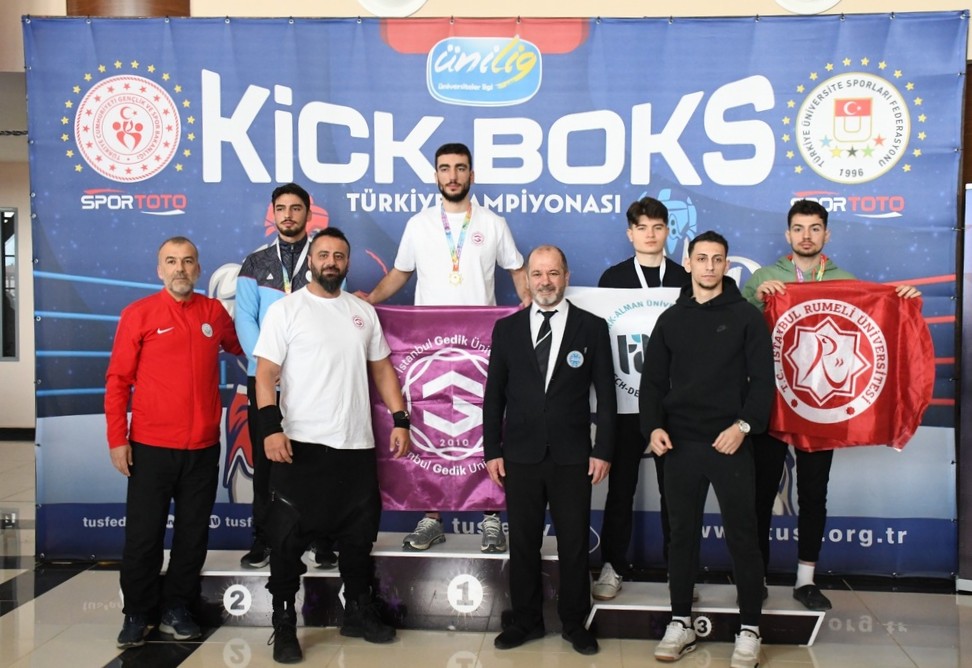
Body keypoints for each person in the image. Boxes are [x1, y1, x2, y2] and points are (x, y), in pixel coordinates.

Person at [741, 199, 921, 612]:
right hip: (772, 401)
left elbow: (872, 325)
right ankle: (757, 577)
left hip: (820, 408)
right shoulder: (765, 278)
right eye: (799, 228)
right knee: (760, 492)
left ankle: (806, 581)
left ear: (827, 234)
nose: (806, 236)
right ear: (787, 234)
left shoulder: (845, 281)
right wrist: (757, 300)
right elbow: (740, 331)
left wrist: (900, 300)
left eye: (815, 228)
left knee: (813, 494)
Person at [364, 141, 530, 554]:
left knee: (485, 425)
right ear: (435, 175)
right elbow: (400, 273)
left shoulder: (493, 223)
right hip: (429, 347)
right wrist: (370, 301)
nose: (452, 176)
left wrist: (528, 301)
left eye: (460, 168)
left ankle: (491, 517)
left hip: (480, 346)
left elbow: (517, 269)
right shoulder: (419, 224)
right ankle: (431, 517)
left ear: (472, 175)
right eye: (445, 168)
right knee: (429, 426)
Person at [254, 227, 411, 663]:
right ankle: (284, 622)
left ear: (347, 263)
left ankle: (357, 611)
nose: (331, 262)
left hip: (355, 444)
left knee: (358, 537)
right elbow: (265, 375)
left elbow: (382, 369)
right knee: (286, 540)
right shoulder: (286, 310)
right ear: (311, 261)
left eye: (339, 256)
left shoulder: (362, 312)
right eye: (323, 254)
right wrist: (270, 428)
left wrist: (401, 418)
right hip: (300, 444)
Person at [640, 231, 773, 667]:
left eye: (717, 259)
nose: (710, 266)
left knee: (743, 536)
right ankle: (680, 621)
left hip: (731, 443)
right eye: (702, 259)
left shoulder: (747, 317)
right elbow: (652, 383)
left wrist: (743, 427)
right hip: (680, 445)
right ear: (689, 263)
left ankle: (750, 629)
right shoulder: (670, 319)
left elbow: (764, 384)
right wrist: (653, 427)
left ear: (726, 264)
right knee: (681, 536)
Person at [106, 237, 243, 649]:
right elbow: (118, 381)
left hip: (202, 447)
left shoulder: (213, 312)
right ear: (159, 269)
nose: (180, 269)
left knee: (192, 535)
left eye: (187, 261)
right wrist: (117, 439)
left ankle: (176, 608)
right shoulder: (138, 314)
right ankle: (137, 612)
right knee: (144, 536)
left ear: (198, 269)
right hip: (150, 446)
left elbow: (245, 348)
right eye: (171, 261)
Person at [483, 245, 616, 656]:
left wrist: (603, 449)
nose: (545, 282)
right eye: (538, 274)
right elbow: (493, 396)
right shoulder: (507, 329)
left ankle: (575, 623)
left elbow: (606, 396)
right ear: (527, 279)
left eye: (553, 273)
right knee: (523, 542)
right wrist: (492, 450)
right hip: (519, 455)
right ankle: (525, 620)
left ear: (566, 276)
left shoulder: (591, 327)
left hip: (572, 456)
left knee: (574, 543)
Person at [593, 196, 691, 601]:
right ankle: (613, 565)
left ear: (668, 231)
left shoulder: (685, 278)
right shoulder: (613, 278)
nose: (650, 235)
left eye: (657, 227)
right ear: (630, 233)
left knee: (676, 491)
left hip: (673, 404)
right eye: (642, 228)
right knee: (621, 488)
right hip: (625, 400)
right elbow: (601, 340)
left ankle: (678, 571)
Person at [235, 182, 335, 570]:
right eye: (281, 208)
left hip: (313, 379)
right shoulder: (255, 263)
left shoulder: (324, 257)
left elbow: (332, 314)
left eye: (296, 208)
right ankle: (263, 538)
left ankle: (322, 539)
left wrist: (300, 368)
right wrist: (268, 365)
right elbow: (245, 319)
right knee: (267, 462)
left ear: (308, 214)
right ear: (273, 213)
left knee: (318, 459)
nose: (288, 215)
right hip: (265, 378)